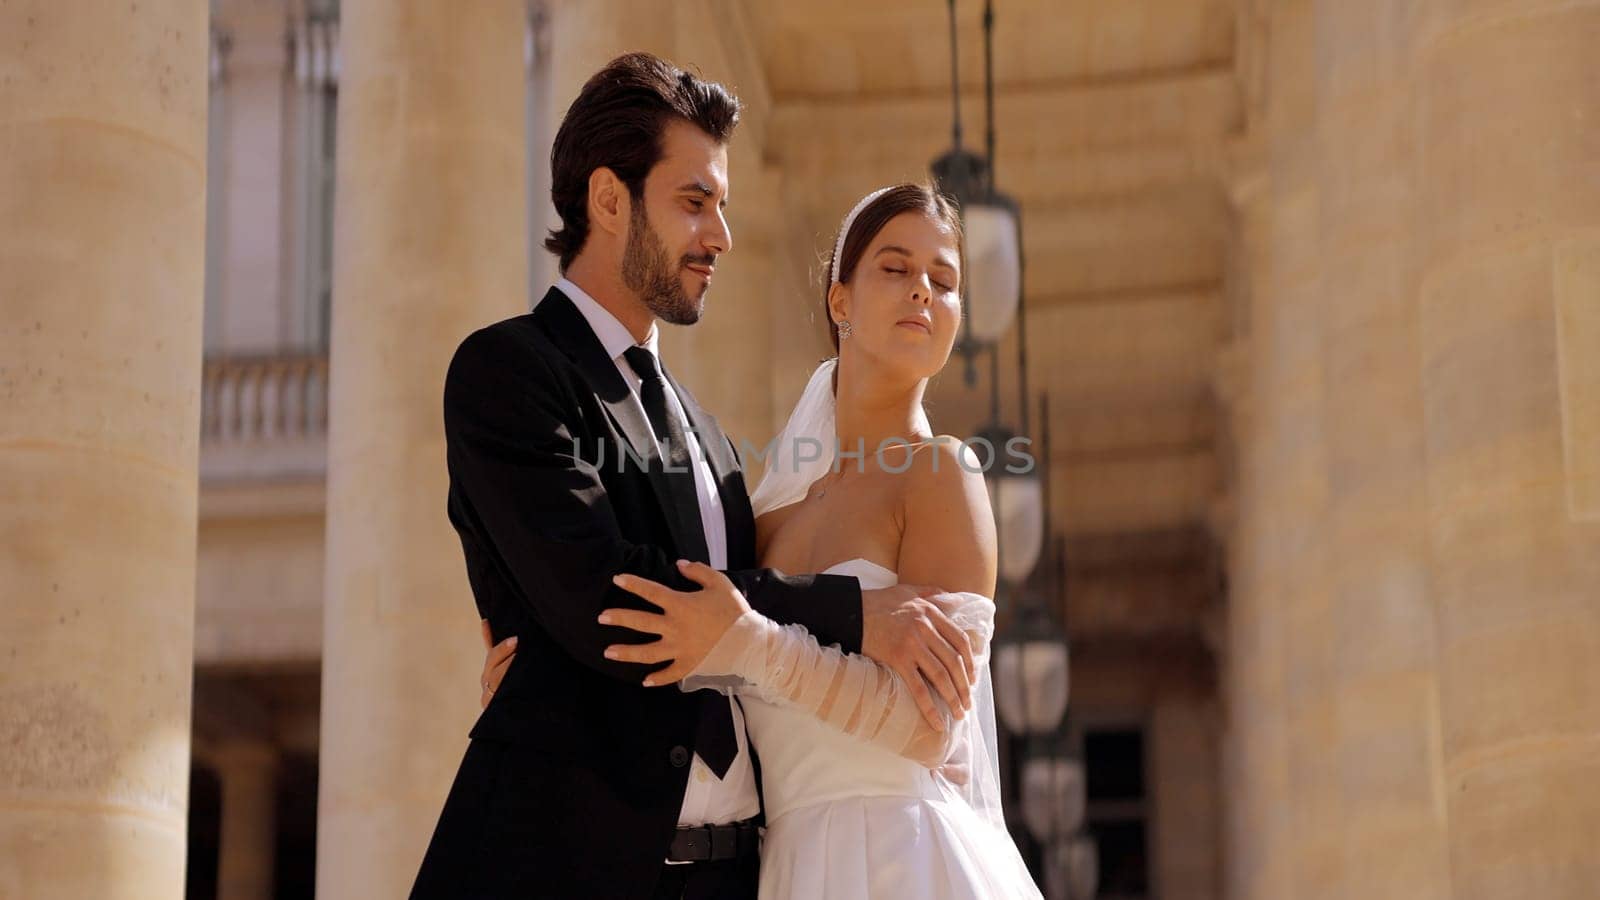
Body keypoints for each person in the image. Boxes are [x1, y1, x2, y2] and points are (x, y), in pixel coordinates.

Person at [410, 54, 976, 900]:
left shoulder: (712, 441)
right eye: (694, 202)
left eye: (723, 206)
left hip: (740, 876)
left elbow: (738, 644)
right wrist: (851, 609)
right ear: (609, 200)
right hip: (557, 865)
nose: (721, 236)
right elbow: (610, 598)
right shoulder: (508, 371)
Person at [481, 183, 1042, 899]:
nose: (924, 293)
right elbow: (696, 648)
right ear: (840, 300)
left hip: (907, 857)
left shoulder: (943, 474)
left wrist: (756, 645)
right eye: (896, 270)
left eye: (946, 281)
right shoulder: (764, 514)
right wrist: (553, 683)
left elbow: (928, 727)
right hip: (783, 867)